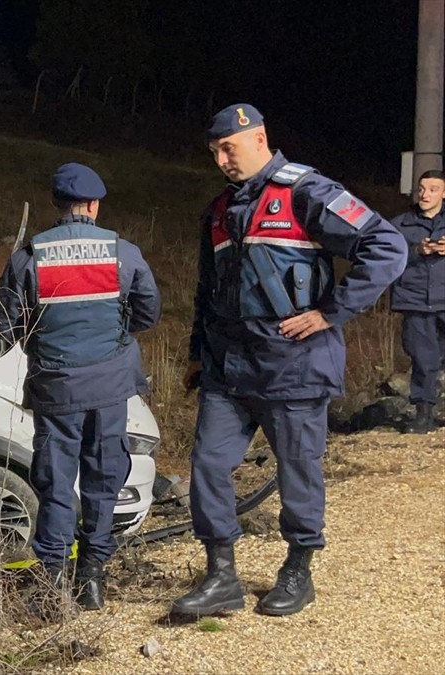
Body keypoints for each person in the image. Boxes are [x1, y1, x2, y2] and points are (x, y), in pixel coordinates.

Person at [175, 104, 406, 617]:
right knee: (209, 466)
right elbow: (206, 292)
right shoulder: (218, 211)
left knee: (299, 470)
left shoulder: (306, 192)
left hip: (293, 364)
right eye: (214, 151)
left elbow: (386, 246)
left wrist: (332, 313)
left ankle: (298, 571)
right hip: (228, 370)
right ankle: (221, 577)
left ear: (259, 138)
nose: (221, 160)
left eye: (228, 148)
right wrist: (195, 355)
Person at [0, 163, 161, 615]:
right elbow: (147, 314)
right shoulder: (123, 254)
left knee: (57, 484)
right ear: (95, 205)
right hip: (109, 388)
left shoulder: (30, 256)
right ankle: (93, 579)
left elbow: (2, 328)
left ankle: (51, 582)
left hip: (57, 391)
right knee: (104, 481)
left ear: (57, 205)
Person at [389, 169, 445, 433]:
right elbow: (386, 256)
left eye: (433, 189)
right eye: (421, 189)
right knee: (424, 359)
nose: (425, 194)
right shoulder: (400, 224)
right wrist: (416, 251)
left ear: (444, 193)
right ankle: (424, 416)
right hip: (415, 300)